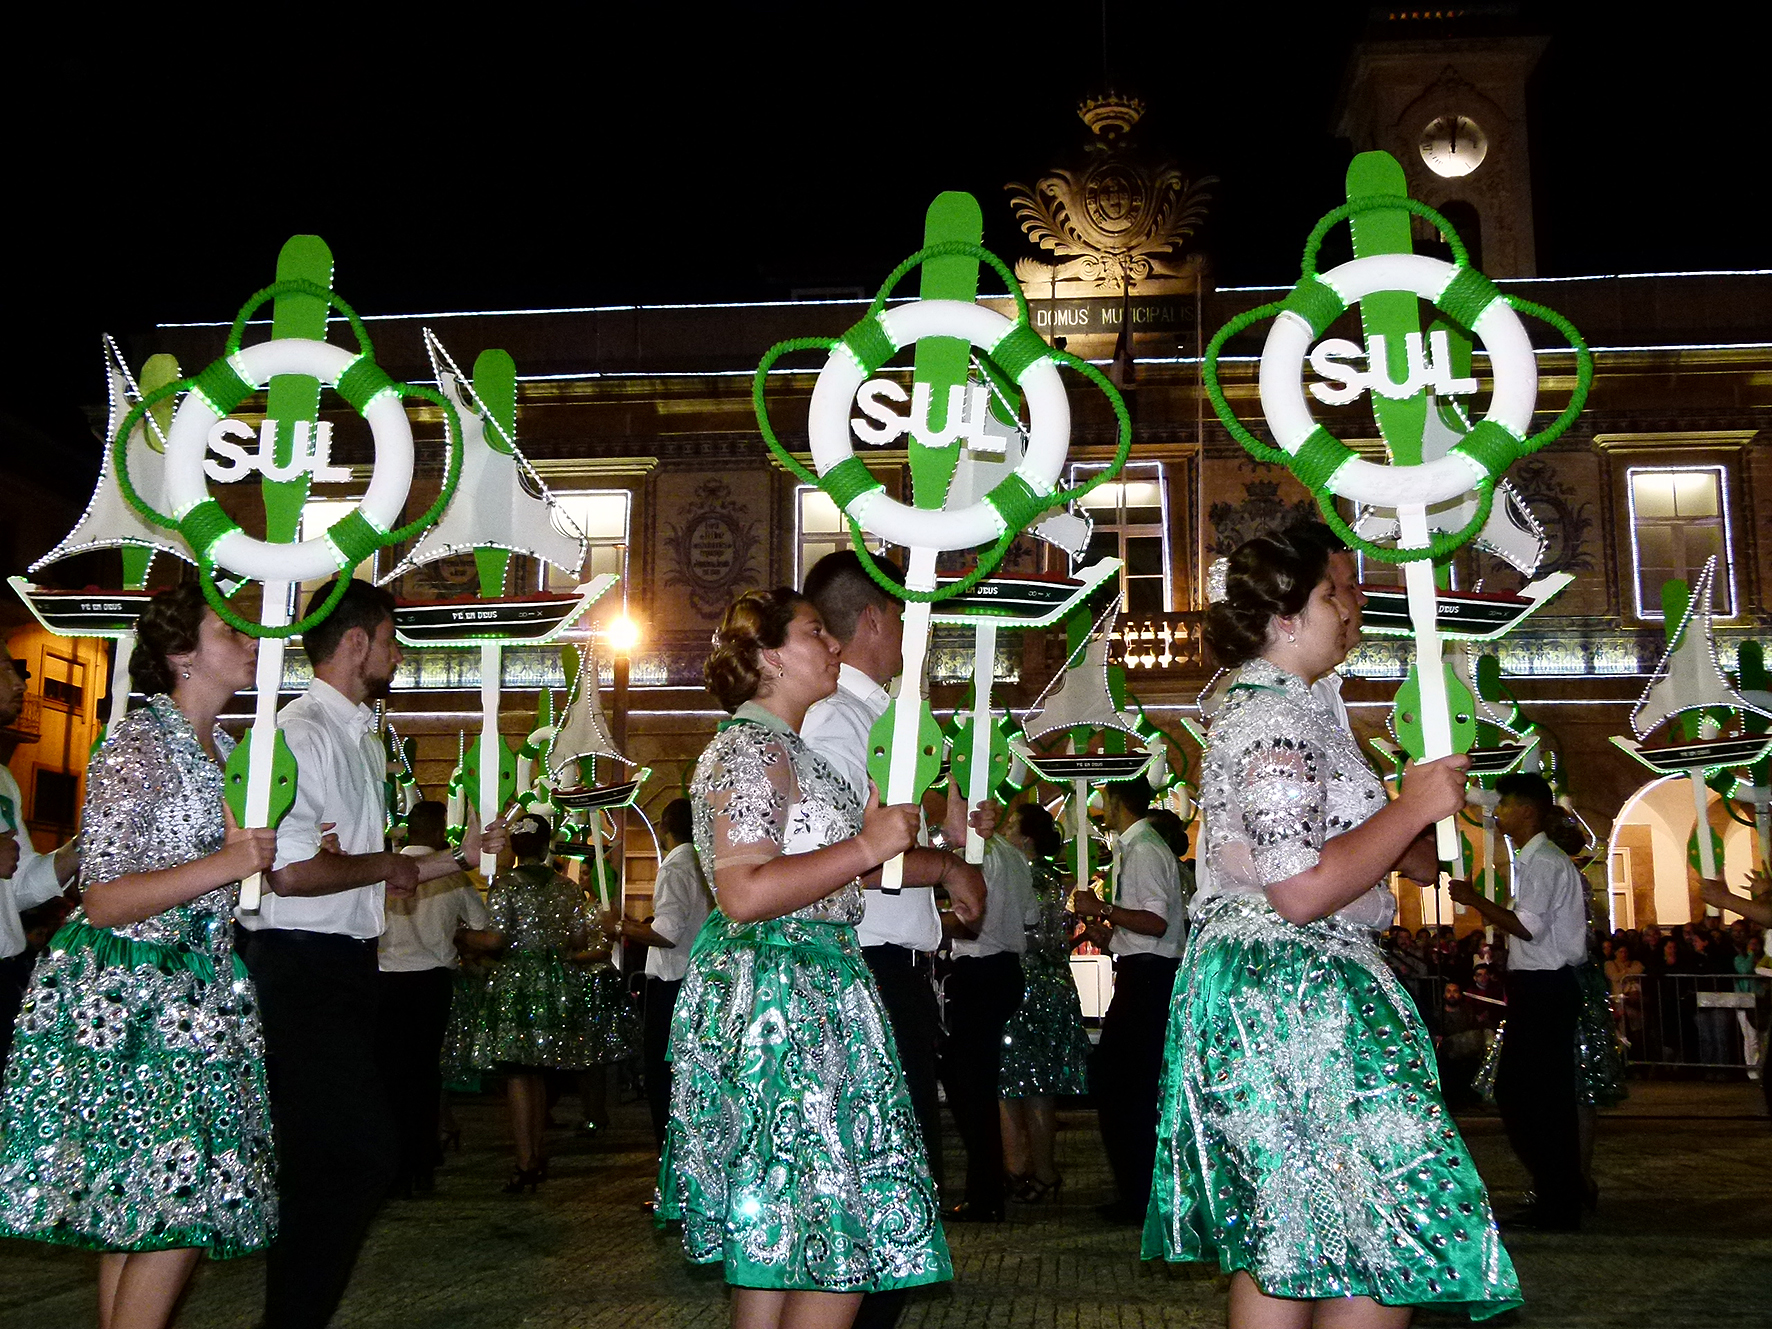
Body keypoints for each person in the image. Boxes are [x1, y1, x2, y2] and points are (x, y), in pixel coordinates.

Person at [1146, 528, 1519, 1325]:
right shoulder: (1274, 720)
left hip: (1294, 978)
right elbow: (1299, 888)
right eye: (1334, 592)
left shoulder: (1298, 707)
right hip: (1291, 984)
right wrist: (1409, 808)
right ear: (1284, 617)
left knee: (1318, 1229)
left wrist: (1406, 832)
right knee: (1364, 1220)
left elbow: (1334, 850)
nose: (1355, 605)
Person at [658, 587, 967, 1329]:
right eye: (813, 633)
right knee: (839, 1233)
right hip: (782, 996)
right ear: (769, 655)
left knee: (784, 1234)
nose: (833, 645)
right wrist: (864, 845)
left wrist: (888, 844)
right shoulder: (751, 748)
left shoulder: (790, 749)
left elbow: (824, 873)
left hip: (812, 983)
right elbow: (742, 891)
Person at [0, 583, 280, 1329]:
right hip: (134, 995)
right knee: (182, 1199)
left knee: (144, 1204)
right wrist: (229, 862)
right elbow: (104, 898)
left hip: (191, 995)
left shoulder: (223, 750)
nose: (251, 642)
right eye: (232, 630)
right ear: (182, 651)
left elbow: (229, 875)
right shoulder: (140, 742)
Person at [243, 578, 506, 1329]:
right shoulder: (303, 733)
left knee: (330, 1161)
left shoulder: (360, 736)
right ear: (356, 641)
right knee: (354, 1156)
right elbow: (290, 872)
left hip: (348, 965)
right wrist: (378, 863)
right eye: (391, 640)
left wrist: (458, 857)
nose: (398, 655)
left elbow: (370, 869)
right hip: (299, 963)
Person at [801, 549, 989, 1222]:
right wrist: (946, 869)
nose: (917, 631)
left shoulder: (884, 720)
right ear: (876, 619)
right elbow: (836, 860)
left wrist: (952, 836)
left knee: (904, 1168)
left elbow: (884, 839)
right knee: (887, 1177)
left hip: (894, 966)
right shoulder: (837, 720)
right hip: (869, 964)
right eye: (908, 615)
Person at [1450, 772, 1589, 1232]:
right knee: (1532, 1094)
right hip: (1538, 986)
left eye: (1506, 804)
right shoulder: (1534, 860)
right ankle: (1557, 1191)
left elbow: (1528, 927)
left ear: (1527, 810)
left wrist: (1475, 900)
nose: (1498, 812)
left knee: (1534, 1095)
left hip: (1546, 986)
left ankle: (1560, 1196)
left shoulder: (1544, 862)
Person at [1070, 776, 1186, 1225]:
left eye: (1104, 800)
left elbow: (1155, 922)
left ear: (1118, 802)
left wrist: (1101, 909)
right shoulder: (1142, 847)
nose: (1101, 808)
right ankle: (1137, 1191)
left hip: (1147, 979)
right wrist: (1113, 936)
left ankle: (1138, 1194)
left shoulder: (1142, 850)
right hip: (1145, 972)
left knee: (1125, 1087)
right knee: (1128, 1085)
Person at [376, 799, 496, 1198]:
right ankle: (422, 1162)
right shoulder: (451, 875)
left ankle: (395, 1165)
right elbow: (481, 924)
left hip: (387, 978)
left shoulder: (383, 868)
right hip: (431, 980)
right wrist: (455, 935)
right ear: (440, 830)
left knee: (390, 1073)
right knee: (425, 1073)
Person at [938, 808, 1035, 1221]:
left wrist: (928, 923)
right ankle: (989, 1186)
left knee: (968, 1085)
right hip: (1006, 969)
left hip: (979, 969)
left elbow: (970, 921)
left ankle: (985, 1192)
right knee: (974, 1082)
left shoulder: (974, 856)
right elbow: (1030, 916)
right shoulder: (1012, 855)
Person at [997, 803, 1089, 1203]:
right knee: (1039, 1085)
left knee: (1012, 1081)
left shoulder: (1023, 877)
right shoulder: (1052, 879)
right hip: (1053, 982)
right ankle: (1041, 1170)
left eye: (1010, 827)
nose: (1003, 833)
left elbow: (1024, 932)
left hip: (1026, 984)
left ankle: (1019, 1168)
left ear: (1026, 839)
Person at [612, 796, 711, 1152]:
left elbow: (667, 934)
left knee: (663, 1074)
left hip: (672, 982)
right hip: (700, 977)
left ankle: (669, 1155)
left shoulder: (674, 868)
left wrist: (620, 927)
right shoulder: (705, 864)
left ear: (664, 827)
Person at [0, 652, 80, 1077]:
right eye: (4, 668)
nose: (20, 683)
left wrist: (83, 846)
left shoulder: (4, 779)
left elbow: (20, 886)